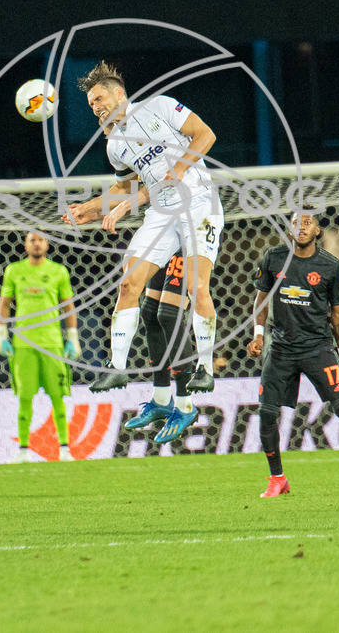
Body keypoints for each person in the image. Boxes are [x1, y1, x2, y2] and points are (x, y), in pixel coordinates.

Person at [63, 62, 222, 425]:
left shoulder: (160, 107)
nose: (95, 107)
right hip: (162, 212)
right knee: (129, 283)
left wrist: (179, 169)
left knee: (197, 287)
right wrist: (89, 209)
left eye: (99, 99)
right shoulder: (114, 145)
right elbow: (125, 187)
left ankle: (205, 368)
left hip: (199, 204)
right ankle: (117, 367)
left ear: (119, 94)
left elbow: (205, 135)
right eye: (90, 104)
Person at [247, 208, 339, 498]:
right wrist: (258, 336)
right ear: (289, 229)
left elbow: (338, 314)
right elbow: (261, 300)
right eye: (296, 223)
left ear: (317, 230)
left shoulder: (330, 266)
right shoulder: (273, 258)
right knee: (267, 412)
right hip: (281, 348)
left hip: (318, 348)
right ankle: (277, 478)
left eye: (307, 222)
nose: (301, 227)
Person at [0, 231, 80, 463]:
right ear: (25, 245)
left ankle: (64, 449)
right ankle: (23, 450)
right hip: (23, 344)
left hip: (52, 344)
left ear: (47, 245)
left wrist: (72, 338)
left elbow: (68, 306)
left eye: (41, 240)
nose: (37, 244)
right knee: (25, 398)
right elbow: (5, 304)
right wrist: (1, 335)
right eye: (32, 240)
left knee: (58, 397)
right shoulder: (13, 271)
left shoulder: (58, 272)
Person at [124, 252, 200, 444]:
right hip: (166, 242)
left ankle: (185, 405)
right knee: (150, 312)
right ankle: (161, 399)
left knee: (170, 314)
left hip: (188, 243)